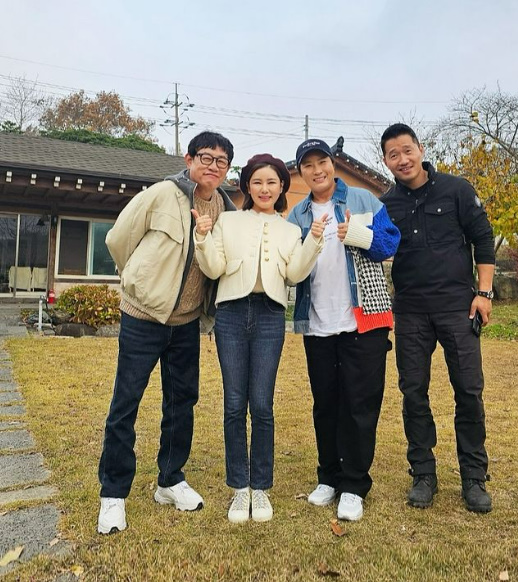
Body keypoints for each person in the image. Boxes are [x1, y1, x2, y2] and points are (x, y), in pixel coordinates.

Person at [97, 131, 236, 534]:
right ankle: (113, 493)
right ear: (189, 159)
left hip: (187, 322)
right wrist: (137, 281)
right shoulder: (161, 194)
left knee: (181, 403)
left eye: (221, 161)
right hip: (142, 317)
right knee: (126, 403)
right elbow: (118, 238)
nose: (213, 166)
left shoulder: (226, 209)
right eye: (206, 157)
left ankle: (170, 480)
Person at [193, 153, 325, 523]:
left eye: (271, 182)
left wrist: (314, 240)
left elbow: (295, 274)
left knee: (263, 405)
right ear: (247, 186)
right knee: (235, 403)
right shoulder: (228, 221)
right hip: (231, 314)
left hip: (270, 315)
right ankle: (239, 488)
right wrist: (202, 236)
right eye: (257, 182)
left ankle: (261, 487)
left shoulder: (290, 230)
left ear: (282, 187)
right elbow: (214, 268)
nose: (264, 189)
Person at [380, 123, 495, 513]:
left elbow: (483, 238)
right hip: (410, 310)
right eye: (393, 155)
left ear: (420, 149)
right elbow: (373, 247)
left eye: (407, 150)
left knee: (468, 391)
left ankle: (474, 477)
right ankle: (423, 473)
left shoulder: (456, 190)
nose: (402, 159)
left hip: (458, 307)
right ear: (386, 161)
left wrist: (484, 293)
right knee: (413, 392)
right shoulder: (386, 204)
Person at [288, 138, 400, 522]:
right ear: (301, 172)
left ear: (332, 164)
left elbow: (390, 244)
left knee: (359, 404)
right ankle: (328, 477)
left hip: (363, 319)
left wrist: (356, 233)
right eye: (308, 165)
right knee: (325, 404)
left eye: (321, 162)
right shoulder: (298, 214)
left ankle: (353, 484)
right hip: (317, 322)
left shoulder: (364, 199)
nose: (316, 170)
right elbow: (291, 267)